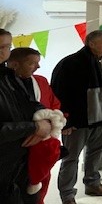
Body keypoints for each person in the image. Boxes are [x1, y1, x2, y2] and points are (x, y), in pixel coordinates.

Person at [51, 29, 102, 204]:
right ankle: (67, 194)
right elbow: (58, 93)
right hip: (77, 121)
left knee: (95, 152)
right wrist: (65, 122)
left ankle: (92, 183)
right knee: (71, 158)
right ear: (91, 43)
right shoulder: (70, 63)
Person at [0, 30, 51, 204]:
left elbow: (30, 104)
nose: (2, 51)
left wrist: (47, 118)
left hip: (19, 159)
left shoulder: (9, 76)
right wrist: (34, 127)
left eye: (6, 46)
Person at [6, 48, 62, 204]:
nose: (37, 67)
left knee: (41, 180)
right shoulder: (6, 86)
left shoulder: (41, 81)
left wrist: (48, 125)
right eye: (32, 63)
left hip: (42, 143)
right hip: (17, 146)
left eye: (38, 63)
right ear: (14, 64)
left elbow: (55, 106)